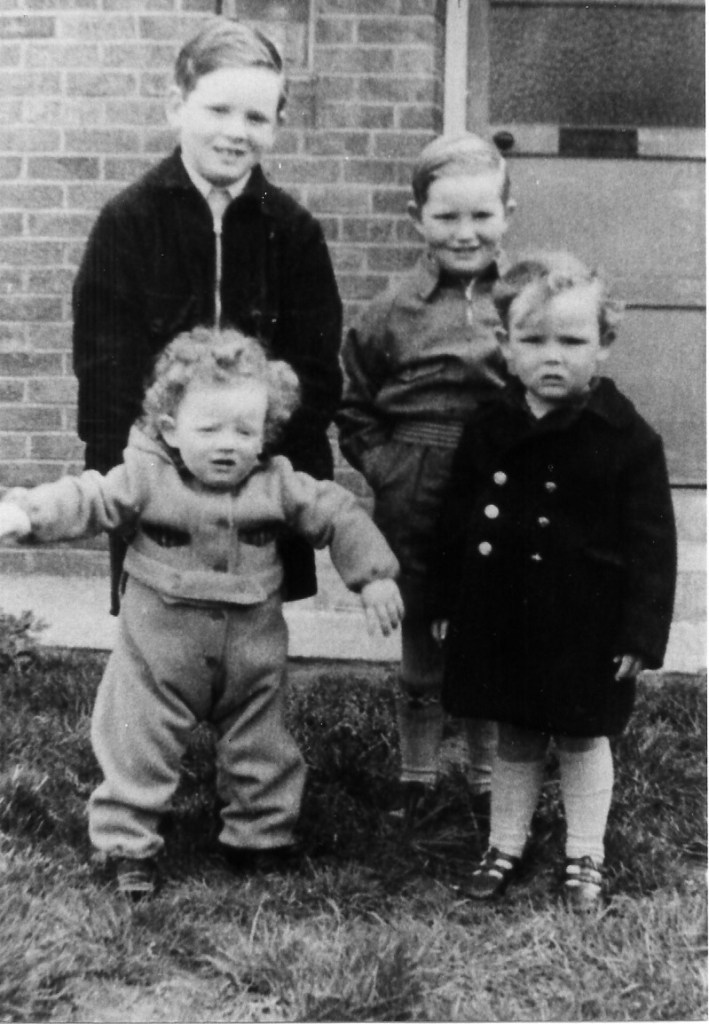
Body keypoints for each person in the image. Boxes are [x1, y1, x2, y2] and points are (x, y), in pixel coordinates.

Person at [0, 328, 403, 899]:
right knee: (136, 741)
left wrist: (374, 575)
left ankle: (260, 836)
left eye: (245, 430)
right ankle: (127, 845)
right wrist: (28, 513)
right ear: (170, 428)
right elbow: (89, 497)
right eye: (209, 429)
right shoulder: (145, 477)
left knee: (262, 745)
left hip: (251, 657)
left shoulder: (277, 484)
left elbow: (337, 512)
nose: (227, 445)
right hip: (159, 656)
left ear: (265, 433)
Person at [428, 252, 677, 908]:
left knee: (580, 733)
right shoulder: (490, 426)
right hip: (502, 612)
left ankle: (584, 854)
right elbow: (455, 520)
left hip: (585, 622)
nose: (552, 357)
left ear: (603, 345)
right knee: (514, 730)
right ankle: (504, 844)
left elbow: (653, 546)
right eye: (533, 340)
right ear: (505, 346)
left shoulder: (627, 439)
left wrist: (640, 633)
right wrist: (446, 599)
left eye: (571, 341)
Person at [72, 17, 342, 614]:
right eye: (218, 110)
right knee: (156, 642)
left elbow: (316, 373)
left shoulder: (293, 231)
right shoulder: (128, 223)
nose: (236, 132)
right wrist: (129, 480)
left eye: (256, 117)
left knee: (251, 640)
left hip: (259, 485)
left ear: (277, 124)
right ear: (177, 106)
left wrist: (275, 474)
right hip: (155, 486)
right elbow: (103, 374)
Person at [337, 133, 516, 824]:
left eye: (481, 215)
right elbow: (355, 405)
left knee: (488, 632)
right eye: (446, 217)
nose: (465, 233)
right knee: (422, 643)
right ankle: (416, 775)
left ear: (507, 214)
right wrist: (388, 468)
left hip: (494, 484)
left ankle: (486, 776)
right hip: (415, 486)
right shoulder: (392, 310)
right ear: (417, 219)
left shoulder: (522, 300)